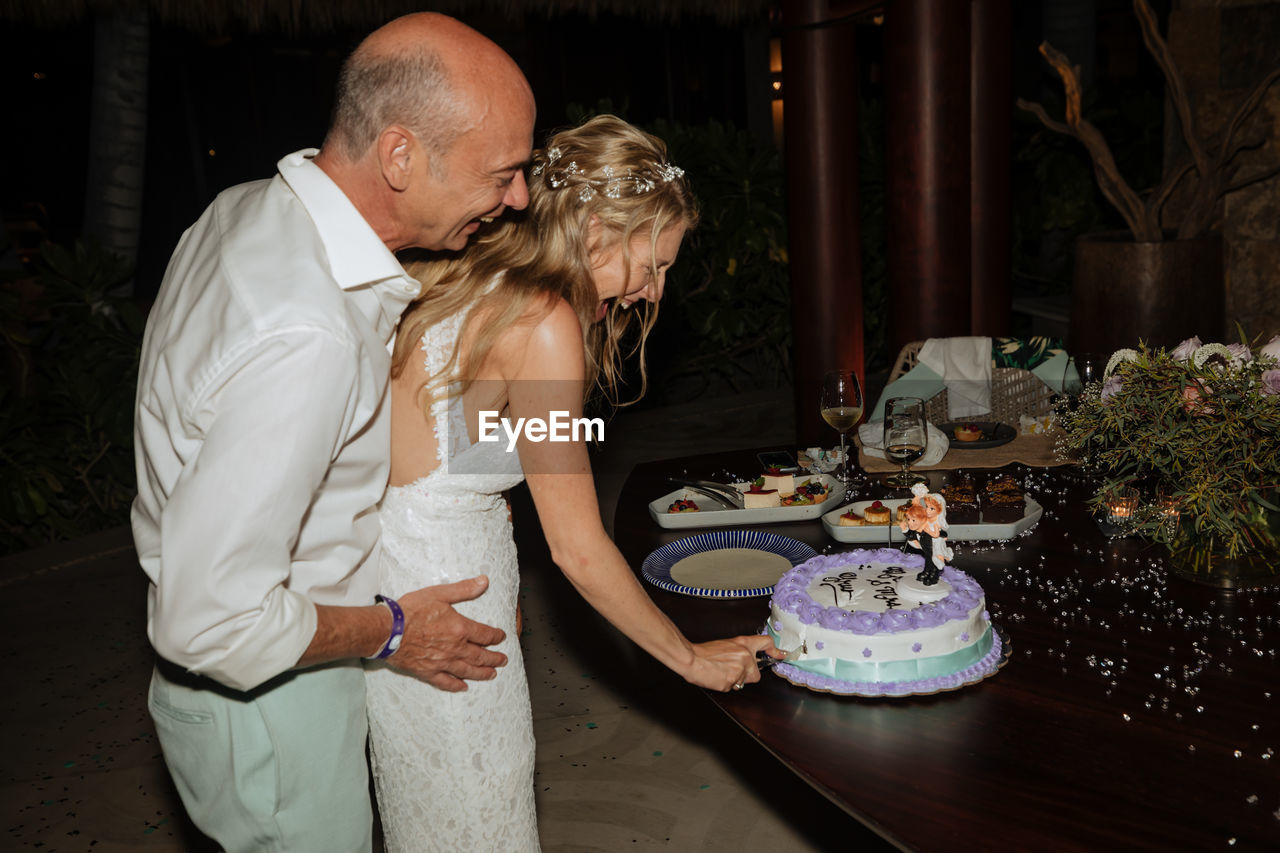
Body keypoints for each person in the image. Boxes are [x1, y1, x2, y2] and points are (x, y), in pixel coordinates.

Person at [130, 13, 536, 852]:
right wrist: (390, 630)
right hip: (275, 697)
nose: (519, 198)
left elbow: (425, 442)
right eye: (503, 172)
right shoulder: (306, 329)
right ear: (399, 156)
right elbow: (212, 619)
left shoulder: (244, 213)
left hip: (303, 667)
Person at [364, 114, 784, 852]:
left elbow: (429, 459)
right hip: (452, 607)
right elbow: (578, 546)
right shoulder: (544, 321)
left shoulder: (459, 271)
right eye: (651, 265)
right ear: (594, 229)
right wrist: (688, 657)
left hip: (402, 587)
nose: (653, 293)